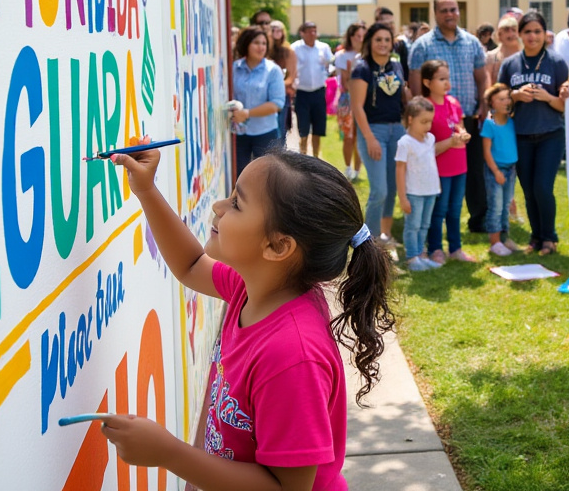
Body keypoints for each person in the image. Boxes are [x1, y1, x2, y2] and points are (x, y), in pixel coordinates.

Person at [103, 143, 393, 490]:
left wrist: (170, 454)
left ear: (277, 247)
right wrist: (147, 191)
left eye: (237, 204)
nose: (218, 206)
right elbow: (191, 265)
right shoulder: (253, 288)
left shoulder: (292, 356)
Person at [408, 0, 490, 234]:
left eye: (453, 9)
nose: (450, 14)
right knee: (435, 175)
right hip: (434, 124)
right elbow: (415, 86)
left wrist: (484, 106)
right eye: (444, 10)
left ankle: (478, 220)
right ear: (435, 13)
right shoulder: (422, 46)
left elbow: (481, 76)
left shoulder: (472, 42)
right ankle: (432, 227)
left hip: (468, 119)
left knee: (474, 171)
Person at [498, 11, 569, 255]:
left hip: (550, 133)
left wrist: (548, 97)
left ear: (545, 34)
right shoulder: (510, 64)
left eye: (537, 31)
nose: (532, 36)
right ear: (519, 34)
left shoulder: (556, 62)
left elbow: (565, 105)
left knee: (542, 187)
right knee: (529, 190)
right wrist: (515, 96)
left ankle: (549, 237)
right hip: (520, 135)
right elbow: (499, 102)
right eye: (527, 31)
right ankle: (536, 237)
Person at [349, 23, 410, 246]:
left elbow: (402, 98)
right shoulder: (362, 68)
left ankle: (385, 235)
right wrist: (370, 138)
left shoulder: (396, 66)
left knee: (393, 187)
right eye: (378, 39)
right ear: (369, 42)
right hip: (373, 131)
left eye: (387, 39)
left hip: (397, 131)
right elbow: (357, 107)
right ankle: (368, 243)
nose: (383, 44)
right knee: (379, 190)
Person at [420, 60, 475, 263]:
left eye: (447, 78)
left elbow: (460, 128)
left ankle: (455, 248)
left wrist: (463, 136)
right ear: (427, 82)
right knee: (439, 209)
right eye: (441, 79)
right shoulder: (425, 108)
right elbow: (425, 147)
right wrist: (451, 142)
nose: (447, 83)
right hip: (439, 169)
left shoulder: (453, 102)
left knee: (455, 209)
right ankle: (435, 248)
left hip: (459, 165)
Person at [395, 98, 443, 272]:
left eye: (430, 121)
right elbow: (400, 170)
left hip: (430, 190)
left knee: (424, 225)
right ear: (410, 119)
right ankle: (412, 258)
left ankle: (421, 255)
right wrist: (403, 198)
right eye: (423, 122)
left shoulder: (430, 139)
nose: (428, 126)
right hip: (414, 192)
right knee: (413, 225)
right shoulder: (405, 143)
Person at [230, 27, 285, 176]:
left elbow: (277, 104)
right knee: (240, 176)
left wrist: (247, 113)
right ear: (246, 44)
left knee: (265, 177)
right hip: (238, 133)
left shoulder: (273, 70)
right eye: (256, 42)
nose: (261, 47)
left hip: (265, 132)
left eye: (264, 43)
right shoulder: (234, 68)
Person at [481, 83, 520, 256]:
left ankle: (505, 238)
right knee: (495, 206)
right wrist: (496, 171)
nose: (506, 102)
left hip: (511, 170)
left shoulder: (512, 122)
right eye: (501, 99)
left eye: (508, 98)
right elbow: (487, 151)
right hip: (495, 171)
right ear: (491, 103)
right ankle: (495, 242)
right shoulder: (489, 125)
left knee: (506, 205)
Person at [290, 21, 333, 158]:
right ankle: (303, 157)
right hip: (302, 93)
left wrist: (328, 71)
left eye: (314, 31)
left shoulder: (323, 47)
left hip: (319, 92)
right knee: (303, 128)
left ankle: (315, 158)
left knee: (318, 129)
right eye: (309, 31)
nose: (312, 34)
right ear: (302, 33)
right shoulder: (295, 48)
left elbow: (330, 65)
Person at [334, 23, 367, 181]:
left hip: (364, 99)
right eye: (357, 36)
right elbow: (346, 83)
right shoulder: (342, 55)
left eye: (363, 36)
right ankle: (347, 168)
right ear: (351, 37)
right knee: (348, 136)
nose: (360, 39)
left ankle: (357, 171)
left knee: (361, 136)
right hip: (347, 100)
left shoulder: (368, 54)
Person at [266, 20, 297, 141]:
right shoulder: (264, 49)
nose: (276, 32)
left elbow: (292, 75)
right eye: (272, 29)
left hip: (281, 95)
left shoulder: (288, 51)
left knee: (280, 131)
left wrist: (276, 87)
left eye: (279, 29)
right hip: (264, 96)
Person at [484, 15, 521, 84]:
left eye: (514, 30)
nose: (511, 34)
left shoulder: (526, 55)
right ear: (499, 35)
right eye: (506, 30)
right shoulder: (491, 57)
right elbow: (487, 86)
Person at [376, 6, 410, 76]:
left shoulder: (400, 45)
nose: (390, 27)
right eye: (386, 24)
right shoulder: (372, 45)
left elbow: (405, 70)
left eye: (392, 23)